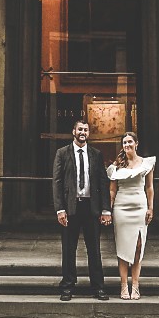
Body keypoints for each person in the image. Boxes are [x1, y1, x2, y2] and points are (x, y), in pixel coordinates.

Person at [52, 119, 111, 301]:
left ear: (88, 133)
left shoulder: (96, 154)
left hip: (91, 207)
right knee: (69, 249)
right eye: (80, 129)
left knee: (94, 249)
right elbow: (57, 183)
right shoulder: (62, 153)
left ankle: (98, 287)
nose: (82, 132)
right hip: (71, 207)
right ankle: (67, 286)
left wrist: (106, 210)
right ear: (73, 131)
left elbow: (103, 182)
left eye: (85, 129)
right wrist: (60, 209)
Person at [107, 131, 155, 301]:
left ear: (136, 143)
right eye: (124, 143)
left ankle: (135, 285)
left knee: (138, 247)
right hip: (121, 207)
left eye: (130, 142)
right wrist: (109, 210)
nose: (127, 145)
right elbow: (112, 190)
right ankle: (123, 286)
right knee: (122, 247)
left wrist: (150, 208)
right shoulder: (117, 165)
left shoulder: (146, 164)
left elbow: (149, 187)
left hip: (139, 206)